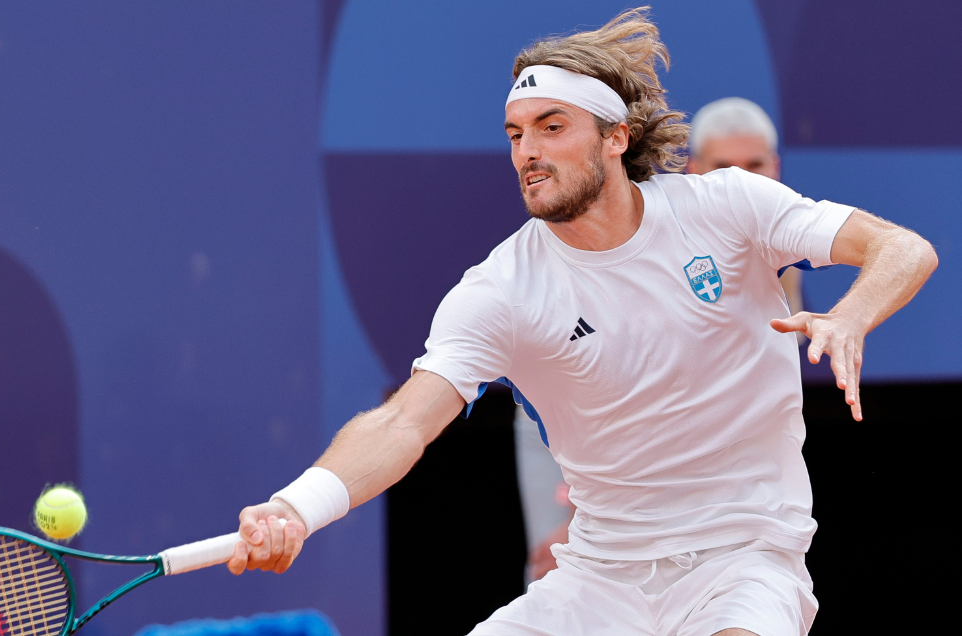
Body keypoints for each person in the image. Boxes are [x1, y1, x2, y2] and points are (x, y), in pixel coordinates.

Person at [225, 8, 937, 636]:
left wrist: (850, 316)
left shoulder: (728, 207)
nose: (527, 152)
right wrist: (296, 507)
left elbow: (903, 249)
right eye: (515, 134)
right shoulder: (501, 289)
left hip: (744, 563)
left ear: (615, 138)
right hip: (598, 583)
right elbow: (402, 423)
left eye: (551, 127)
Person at [686, 97, 807, 324]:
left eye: (754, 165)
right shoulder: (663, 232)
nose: (741, 181)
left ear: (775, 167)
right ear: (694, 170)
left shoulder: (793, 232)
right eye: (723, 167)